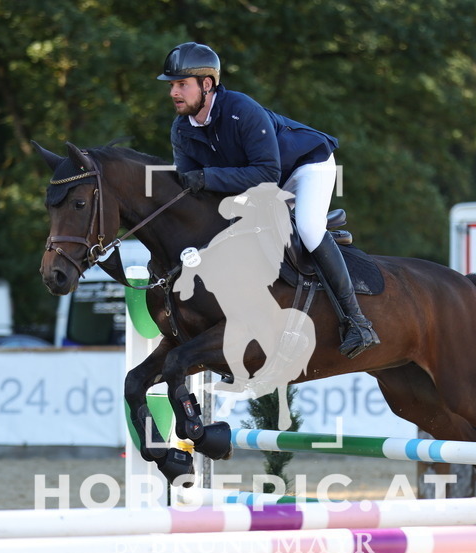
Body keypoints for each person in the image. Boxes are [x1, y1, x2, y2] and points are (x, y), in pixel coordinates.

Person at [157, 41, 379, 359]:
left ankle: (357, 322)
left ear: (207, 84)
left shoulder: (242, 110)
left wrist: (207, 179)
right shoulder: (181, 130)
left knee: (308, 228)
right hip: (256, 187)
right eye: (172, 85)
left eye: (181, 84)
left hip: (305, 167)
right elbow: (196, 193)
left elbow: (266, 175)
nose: (173, 93)